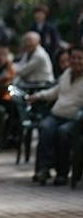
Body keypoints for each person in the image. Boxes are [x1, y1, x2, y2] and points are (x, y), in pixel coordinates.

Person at [28, 46, 83, 186]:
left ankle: (62, 173)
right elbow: (55, 91)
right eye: (73, 58)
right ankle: (43, 169)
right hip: (57, 115)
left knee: (63, 133)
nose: (76, 61)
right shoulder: (66, 74)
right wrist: (37, 96)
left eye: (80, 58)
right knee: (45, 127)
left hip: (75, 119)